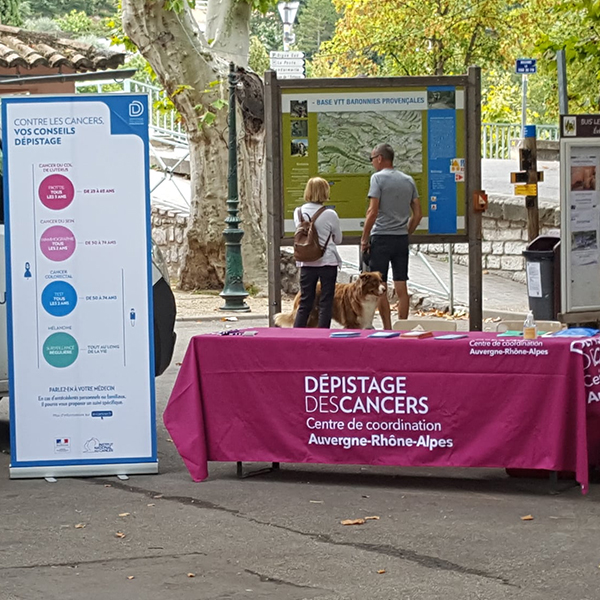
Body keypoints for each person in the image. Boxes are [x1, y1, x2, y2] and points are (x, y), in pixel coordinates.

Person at [361, 143, 422, 330]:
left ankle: (387, 328)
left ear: (379, 158)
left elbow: (372, 211)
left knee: (381, 286)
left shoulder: (377, 179)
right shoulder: (408, 180)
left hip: (381, 237)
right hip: (400, 239)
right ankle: (402, 327)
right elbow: (418, 214)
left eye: (372, 159)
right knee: (401, 286)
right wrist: (407, 231)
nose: (372, 163)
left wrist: (364, 238)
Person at [293, 177, 342, 328]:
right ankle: (322, 335)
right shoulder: (330, 214)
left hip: (306, 261)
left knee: (306, 301)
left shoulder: (298, 212)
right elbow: (338, 239)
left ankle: (297, 334)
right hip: (327, 261)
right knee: (326, 301)